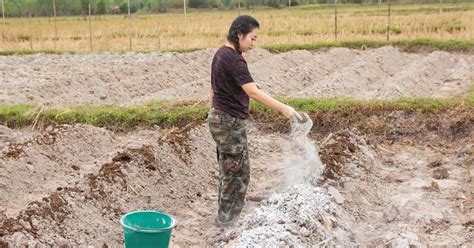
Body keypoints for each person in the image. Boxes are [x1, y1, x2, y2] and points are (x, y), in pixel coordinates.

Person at [208, 15, 301, 226]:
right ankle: (228, 220)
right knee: (237, 172)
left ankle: (226, 215)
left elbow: (214, 88)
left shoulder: (220, 54)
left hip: (220, 118)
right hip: (228, 121)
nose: (253, 43)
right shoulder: (233, 58)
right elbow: (252, 92)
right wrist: (284, 108)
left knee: (230, 168)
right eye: (252, 37)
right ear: (239, 34)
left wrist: (212, 112)